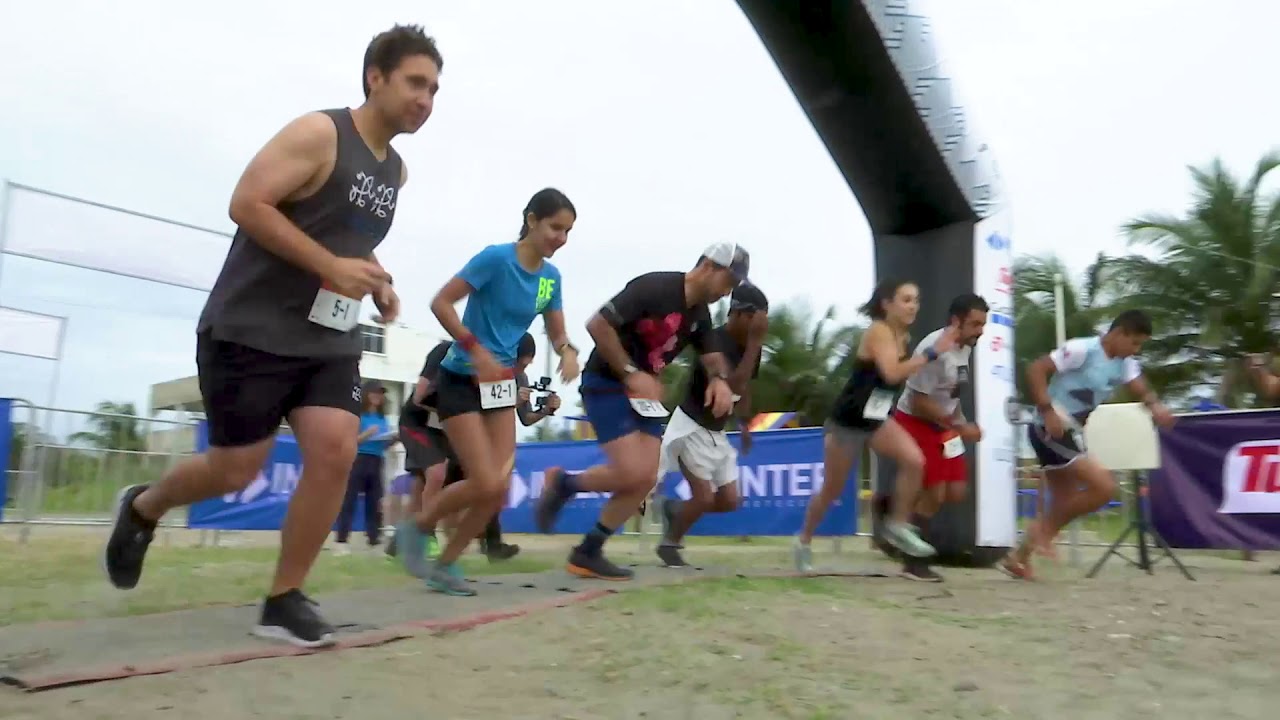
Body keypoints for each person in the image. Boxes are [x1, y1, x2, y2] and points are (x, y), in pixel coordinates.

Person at [102, 25, 442, 648]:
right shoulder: (319, 132)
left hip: (327, 337)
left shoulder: (396, 171)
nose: (426, 99)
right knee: (237, 468)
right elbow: (247, 203)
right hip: (250, 326)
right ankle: (144, 506)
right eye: (416, 83)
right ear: (376, 77)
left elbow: (348, 243)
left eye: (435, 89)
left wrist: (378, 281)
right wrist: (330, 267)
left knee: (337, 446)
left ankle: (284, 599)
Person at [400, 188, 581, 596]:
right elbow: (441, 303)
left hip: (499, 387)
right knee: (482, 480)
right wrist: (475, 351)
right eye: (555, 227)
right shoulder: (496, 259)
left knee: (496, 487)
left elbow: (556, 332)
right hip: (462, 379)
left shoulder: (550, 280)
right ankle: (419, 525)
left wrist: (568, 352)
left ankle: (444, 566)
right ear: (532, 220)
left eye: (568, 231)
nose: (561, 239)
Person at [535, 243, 745, 580]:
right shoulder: (655, 287)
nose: (726, 293)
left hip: (644, 396)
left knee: (646, 478)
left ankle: (586, 546)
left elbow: (710, 356)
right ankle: (564, 489)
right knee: (633, 470)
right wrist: (632, 373)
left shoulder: (700, 316)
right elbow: (597, 325)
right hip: (607, 384)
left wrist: (719, 380)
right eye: (728, 282)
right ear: (708, 266)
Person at [794, 280, 957, 572]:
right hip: (847, 422)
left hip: (876, 418)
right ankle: (803, 540)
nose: (913, 306)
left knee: (914, 461)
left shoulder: (904, 337)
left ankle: (897, 525)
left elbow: (893, 381)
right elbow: (892, 373)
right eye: (906, 300)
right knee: (832, 490)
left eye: (916, 300)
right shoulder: (878, 331)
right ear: (887, 304)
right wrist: (932, 353)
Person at [1004, 309, 1176, 579]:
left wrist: (1156, 407)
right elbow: (1036, 368)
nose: (1136, 350)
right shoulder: (1082, 349)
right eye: (1134, 343)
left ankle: (1019, 558)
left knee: (1065, 504)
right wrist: (1047, 410)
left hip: (1071, 433)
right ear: (1119, 333)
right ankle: (1043, 534)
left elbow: (1141, 388)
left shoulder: (1125, 362)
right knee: (1105, 488)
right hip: (1049, 428)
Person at [655, 283, 769, 568]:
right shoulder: (714, 341)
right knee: (704, 497)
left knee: (731, 500)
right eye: (758, 317)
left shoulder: (750, 349)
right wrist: (755, 344)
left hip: (716, 432)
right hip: (690, 427)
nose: (761, 325)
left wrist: (743, 422)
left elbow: (746, 389)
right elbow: (732, 385)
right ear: (740, 314)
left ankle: (676, 510)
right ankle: (670, 543)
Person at [885, 293, 989, 581]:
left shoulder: (965, 346)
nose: (980, 331)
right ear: (956, 321)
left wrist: (962, 423)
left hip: (944, 426)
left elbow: (951, 395)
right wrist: (958, 427)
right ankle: (913, 560)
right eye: (975, 324)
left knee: (956, 492)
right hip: (917, 422)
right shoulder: (934, 348)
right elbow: (918, 402)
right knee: (936, 491)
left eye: (983, 324)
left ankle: (896, 510)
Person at [390, 339, 453, 572]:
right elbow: (419, 397)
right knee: (437, 474)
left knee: (420, 487)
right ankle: (428, 534)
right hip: (415, 423)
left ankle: (396, 544)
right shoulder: (445, 351)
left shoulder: (488, 362)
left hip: (442, 429)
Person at [333, 381, 396, 554]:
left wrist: (392, 440)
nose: (378, 396)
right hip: (358, 458)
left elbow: (382, 444)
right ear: (367, 394)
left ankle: (374, 538)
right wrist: (367, 435)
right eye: (374, 392)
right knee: (349, 499)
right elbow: (350, 441)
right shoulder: (358, 416)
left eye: (381, 394)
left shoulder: (383, 418)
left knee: (375, 501)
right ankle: (342, 540)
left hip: (377, 459)